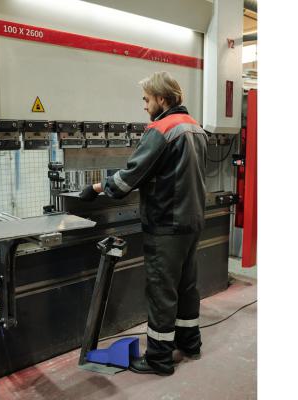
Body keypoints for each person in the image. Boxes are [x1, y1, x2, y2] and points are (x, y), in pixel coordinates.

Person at [79, 71, 208, 376]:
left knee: (162, 291)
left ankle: (159, 358)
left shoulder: (161, 129)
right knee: (186, 286)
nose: (145, 105)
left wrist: (96, 188)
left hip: (166, 224)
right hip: (192, 221)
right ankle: (190, 343)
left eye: (147, 99)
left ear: (162, 99)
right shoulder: (196, 128)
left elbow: (130, 177)